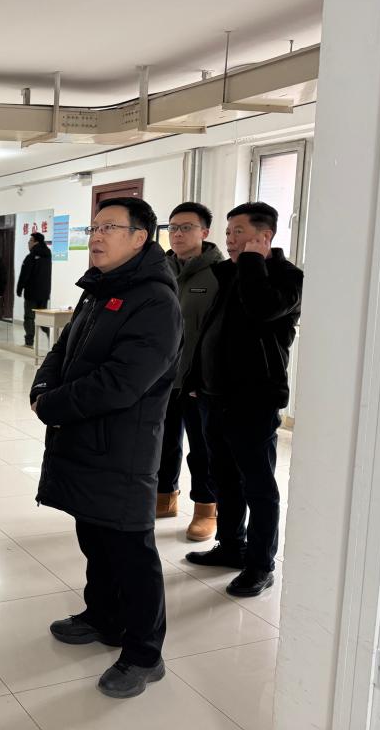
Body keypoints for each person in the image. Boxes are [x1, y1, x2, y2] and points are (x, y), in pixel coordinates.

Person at [31, 197, 182, 699]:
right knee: (94, 537)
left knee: (131, 552)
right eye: (93, 228)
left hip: (124, 449)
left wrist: (53, 405)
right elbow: (62, 349)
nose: (96, 236)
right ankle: (104, 618)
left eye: (109, 227)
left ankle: (144, 654)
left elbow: (122, 382)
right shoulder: (99, 288)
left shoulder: (155, 301)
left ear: (140, 237)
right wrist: (42, 387)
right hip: (84, 440)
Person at [185, 201, 302, 598]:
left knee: (258, 485)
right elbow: (212, 331)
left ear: (264, 236)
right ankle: (231, 546)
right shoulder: (231, 273)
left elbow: (262, 309)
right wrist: (197, 379)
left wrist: (253, 261)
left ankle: (260, 565)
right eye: (228, 232)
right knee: (223, 478)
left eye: (238, 232)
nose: (230, 240)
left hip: (253, 400)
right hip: (214, 397)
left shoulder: (288, 278)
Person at [155, 203, 223, 541]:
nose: (178, 234)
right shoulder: (159, 270)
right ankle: (164, 498)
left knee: (202, 447)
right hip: (163, 376)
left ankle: (205, 509)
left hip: (200, 380)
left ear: (204, 232)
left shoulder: (220, 273)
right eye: (173, 228)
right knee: (163, 442)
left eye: (186, 227)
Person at [16, 231, 53, 348]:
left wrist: (19, 289)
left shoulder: (31, 256)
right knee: (43, 319)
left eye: (30, 241)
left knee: (29, 317)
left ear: (35, 242)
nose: (28, 243)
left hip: (31, 293)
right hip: (44, 293)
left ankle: (29, 342)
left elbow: (24, 274)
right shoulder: (48, 255)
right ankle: (53, 340)